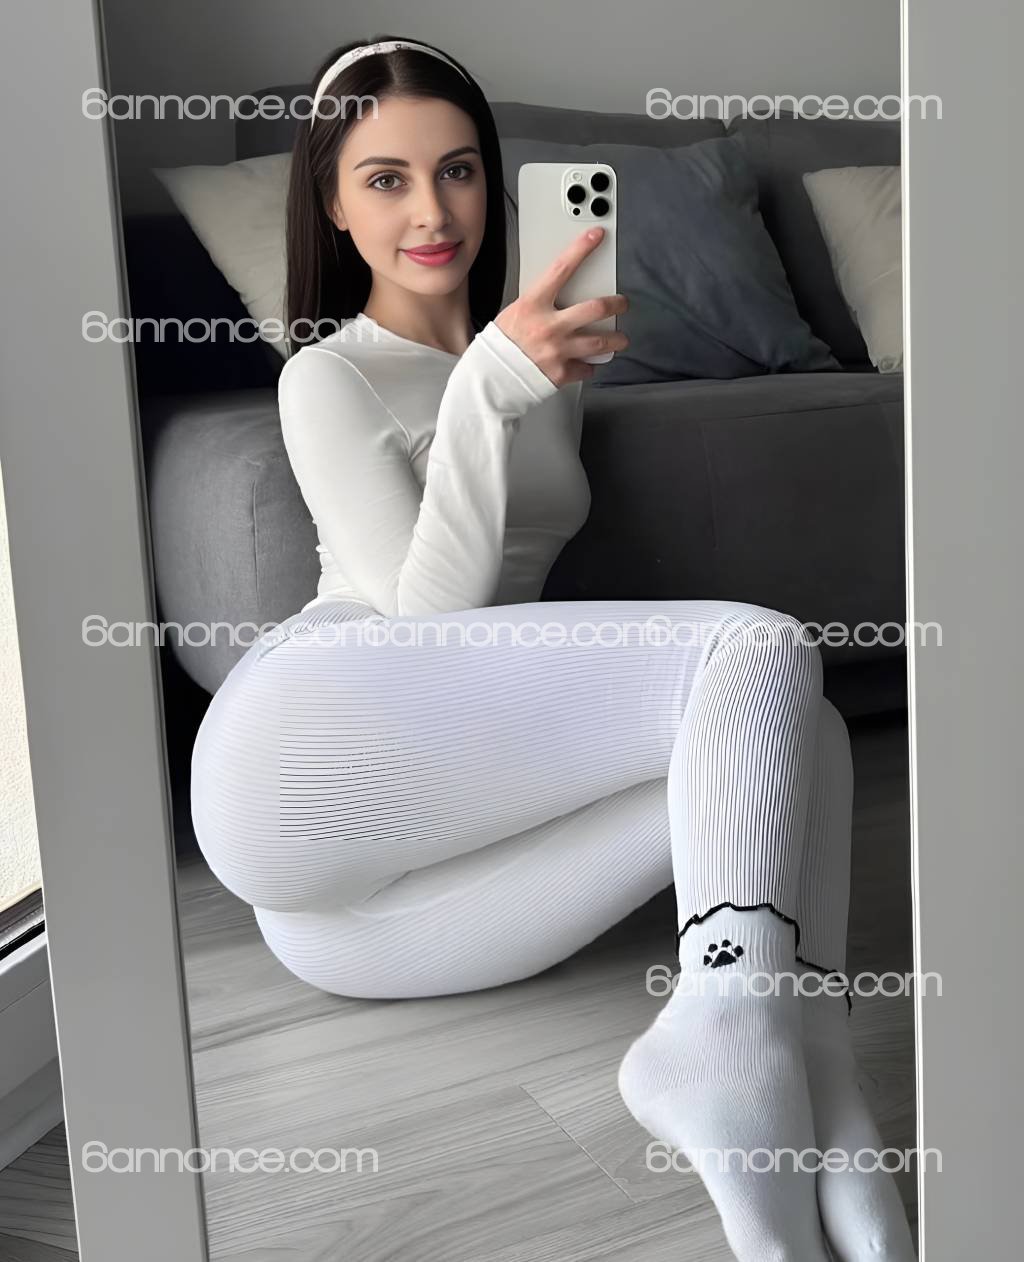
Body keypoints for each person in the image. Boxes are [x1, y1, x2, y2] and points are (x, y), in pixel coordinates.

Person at [190, 35, 916, 1262]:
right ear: (333, 204)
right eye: (385, 179)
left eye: (459, 170)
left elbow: (507, 608)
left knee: (811, 738)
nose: (433, 212)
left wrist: (508, 376)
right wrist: (483, 388)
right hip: (300, 740)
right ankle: (726, 1041)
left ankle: (812, 1089)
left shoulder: (544, 368)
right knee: (758, 648)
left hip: (352, 916)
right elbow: (431, 629)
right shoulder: (327, 376)